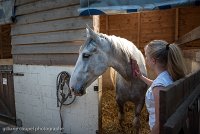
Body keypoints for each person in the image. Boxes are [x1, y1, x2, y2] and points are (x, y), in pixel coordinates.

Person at [132, 40, 187, 134]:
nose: (145, 59)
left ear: (153, 60)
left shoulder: (159, 87)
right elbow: (156, 84)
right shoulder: (167, 76)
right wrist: (141, 77)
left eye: (146, 56)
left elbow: (159, 125)